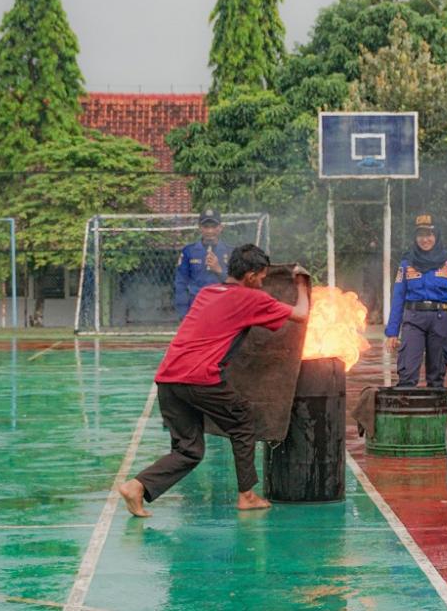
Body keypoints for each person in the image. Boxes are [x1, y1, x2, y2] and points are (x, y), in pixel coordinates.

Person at [119, 244, 309, 517]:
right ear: (252, 276)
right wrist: (302, 284)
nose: (264, 282)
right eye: (263, 277)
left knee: (189, 450)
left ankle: (136, 486)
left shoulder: (207, 292)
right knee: (243, 422)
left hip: (168, 379)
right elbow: (301, 315)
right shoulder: (251, 298)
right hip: (199, 379)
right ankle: (247, 496)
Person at [385, 214, 447, 387]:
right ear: (415, 237)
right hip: (413, 319)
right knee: (407, 373)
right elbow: (398, 297)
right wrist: (392, 332)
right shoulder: (406, 263)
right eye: (420, 235)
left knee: (437, 375)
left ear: (437, 236)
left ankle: (436, 413)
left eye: (429, 234)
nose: (425, 239)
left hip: (440, 320)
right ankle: (407, 411)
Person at [174, 209, 231, 319]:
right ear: (200, 228)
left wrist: (219, 270)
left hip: (222, 306)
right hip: (196, 307)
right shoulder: (188, 251)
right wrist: (184, 313)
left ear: (220, 227)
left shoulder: (230, 252)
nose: (210, 231)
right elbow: (180, 283)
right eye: (206, 227)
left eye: (214, 226)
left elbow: (237, 283)